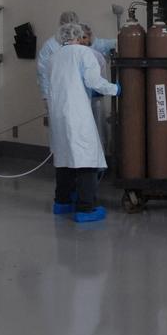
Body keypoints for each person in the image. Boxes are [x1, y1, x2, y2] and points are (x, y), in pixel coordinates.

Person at [48, 22, 119, 222]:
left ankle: (61, 203)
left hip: (58, 114)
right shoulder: (83, 53)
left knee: (64, 157)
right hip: (77, 112)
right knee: (86, 157)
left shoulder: (54, 57)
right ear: (79, 37)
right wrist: (115, 89)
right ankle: (86, 208)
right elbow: (94, 81)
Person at [36, 10, 80, 112]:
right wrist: (46, 96)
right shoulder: (50, 46)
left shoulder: (80, 44)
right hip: (57, 94)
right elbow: (43, 72)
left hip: (78, 95)